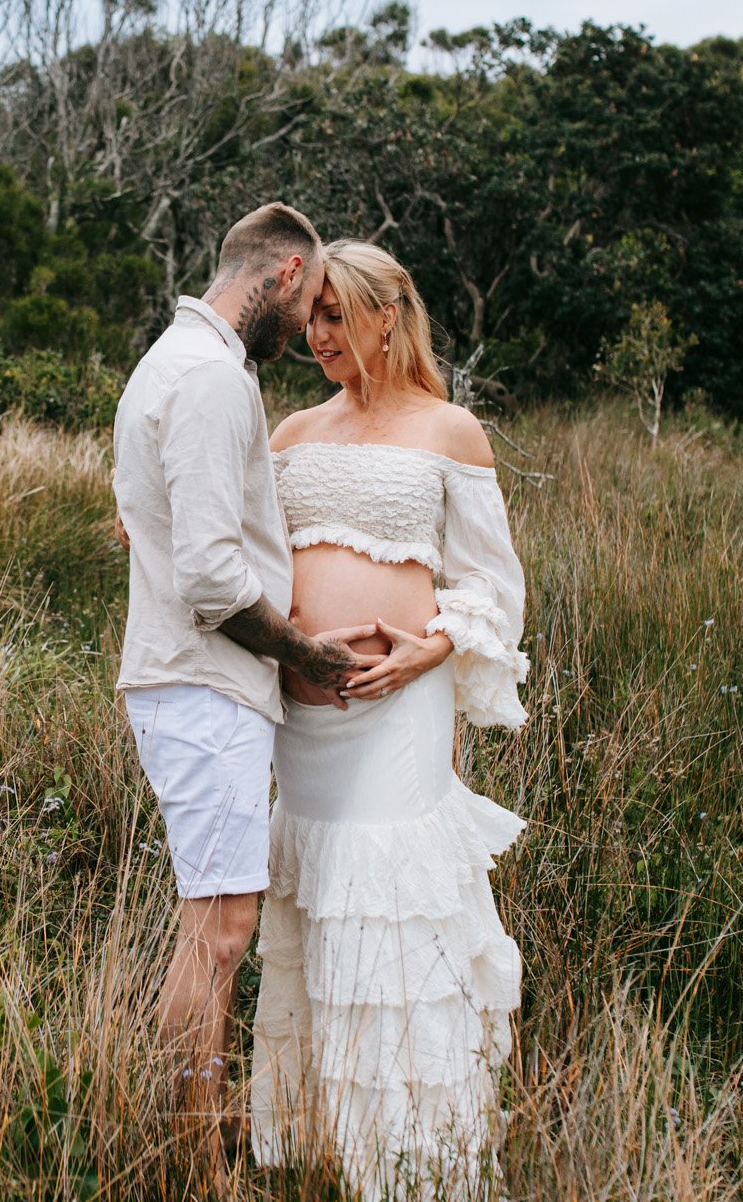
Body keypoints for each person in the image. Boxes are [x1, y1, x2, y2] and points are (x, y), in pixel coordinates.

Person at [249, 239, 532, 1199]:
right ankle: (328, 1145)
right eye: (311, 317)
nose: (317, 335)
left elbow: (493, 580)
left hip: (399, 713)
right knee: (323, 909)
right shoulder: (288, 431)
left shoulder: (452, 431)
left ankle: (419, 1161)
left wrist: (433, 647)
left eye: (335, 316)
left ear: (386, 313)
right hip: (305, 720)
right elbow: (236, 545)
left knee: (395, 909)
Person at [111, 202, 374, 1135]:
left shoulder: (172, 362)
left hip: (189, 684)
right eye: (307, 311)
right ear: (287, 272)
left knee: (211, 922)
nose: (307, 334)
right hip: (202, 686)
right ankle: (190, 1134)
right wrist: (308, 655)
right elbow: (215, 579)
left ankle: (183, 1117)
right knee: (222, 929)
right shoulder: (214, 378)